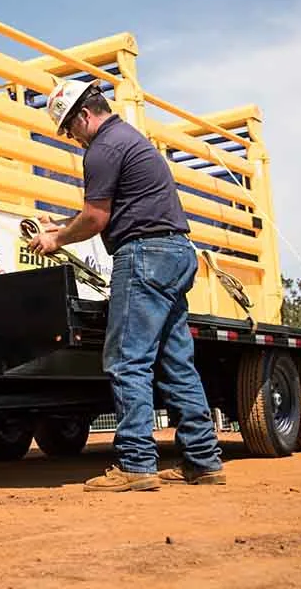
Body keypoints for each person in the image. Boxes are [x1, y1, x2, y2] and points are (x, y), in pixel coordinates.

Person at [28, 79, 225, 492]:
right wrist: (60, 225)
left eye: (69, 129)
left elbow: (97, 219)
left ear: (83, 115)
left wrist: (56, 239)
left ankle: (137, 464)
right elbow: (103, 210)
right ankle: (203, 461)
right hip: (175, 253)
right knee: (176, 363)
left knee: (126, 361)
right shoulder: (128, 139)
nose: (72, 138)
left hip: (144, 257)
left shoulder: (102, 149)